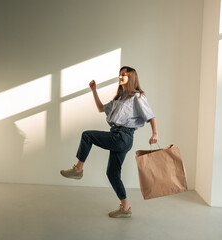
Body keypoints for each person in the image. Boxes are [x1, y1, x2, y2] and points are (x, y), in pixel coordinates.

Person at [60, 66, 158, 218]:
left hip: (123, 137)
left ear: (131, 77)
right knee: (112, 173)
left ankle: (78, 169)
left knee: (87, 135)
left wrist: (155, 133)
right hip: (118, 136)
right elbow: (100, 108)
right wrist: (94, 91)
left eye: (124, 74)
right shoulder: (119, 98)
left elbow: (151, 116)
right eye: (120, 74)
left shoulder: (136, 97)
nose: (120, 76)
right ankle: (125, 208)